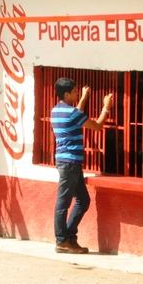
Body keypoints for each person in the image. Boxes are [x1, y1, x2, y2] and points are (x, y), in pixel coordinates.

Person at [50, 76, 114, 254]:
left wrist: (85, 98)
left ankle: (69, 237)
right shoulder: (72, 113)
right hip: (70, 163)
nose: (77, 93)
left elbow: (76, 114)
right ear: (67, 94)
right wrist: (106, 107)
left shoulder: (56, 110)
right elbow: (97, 126)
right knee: (63, 203)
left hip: (68, 162)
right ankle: (62, 240)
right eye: (75, 92)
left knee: (83, 200)